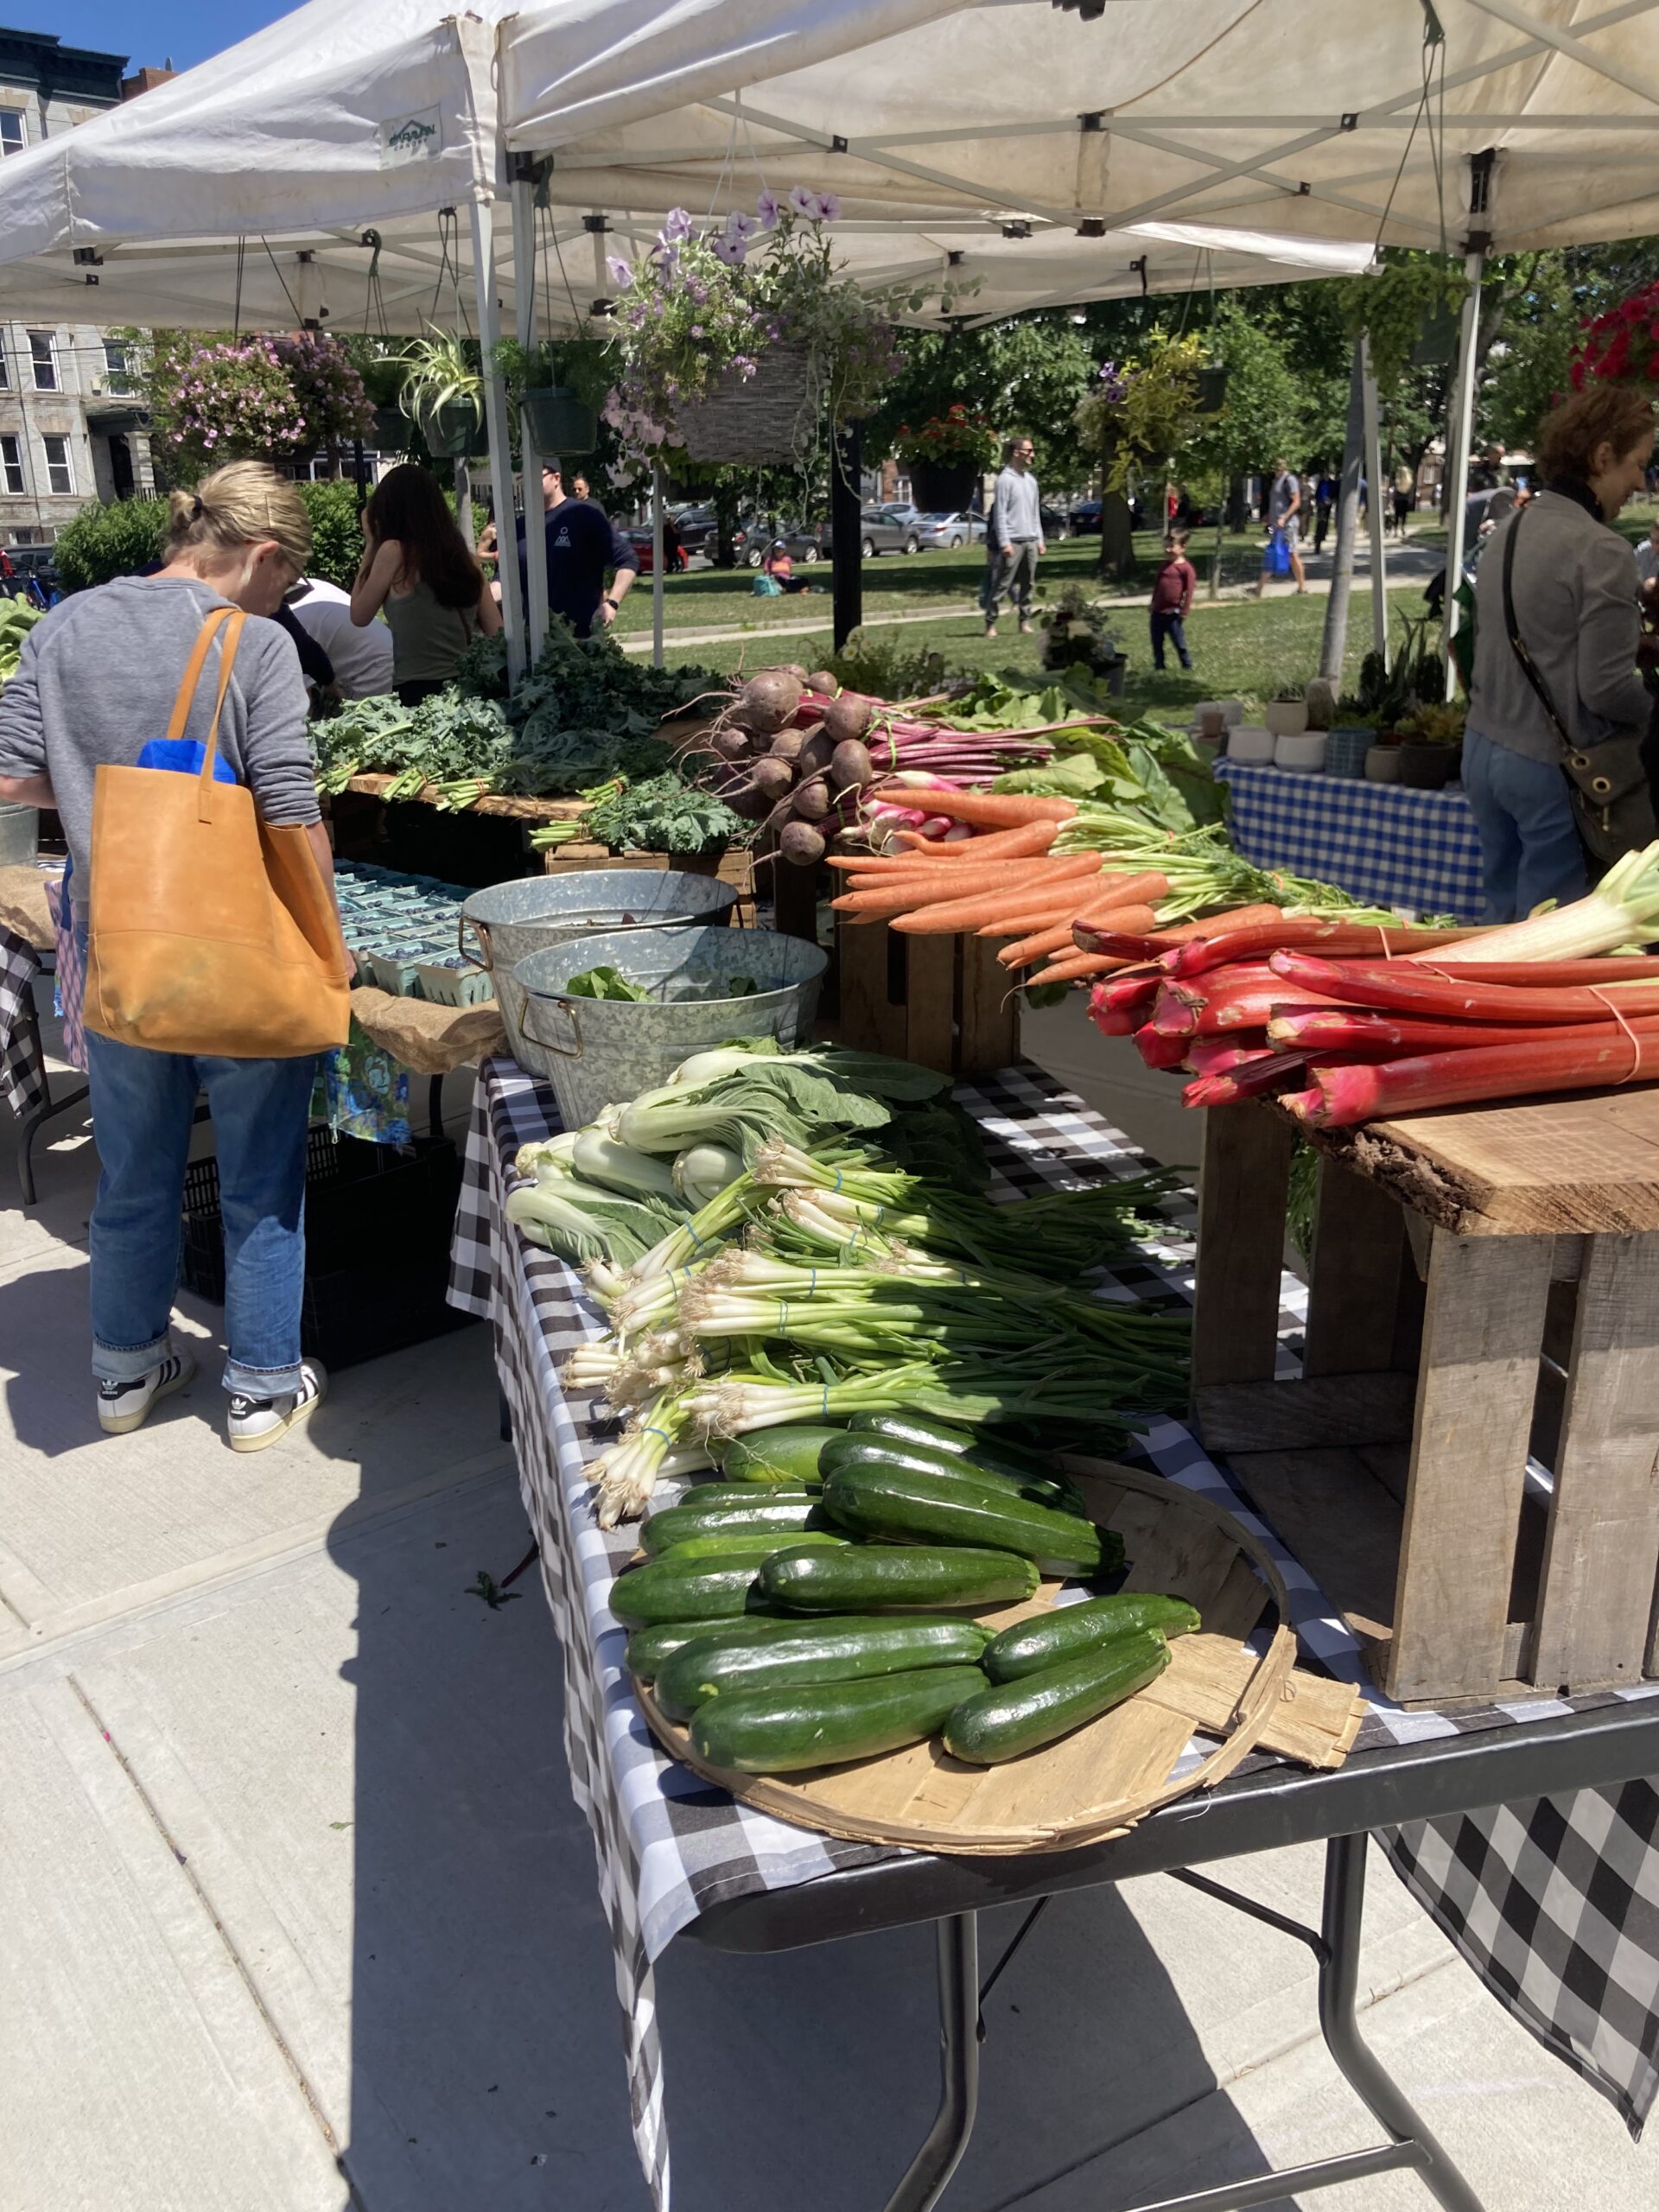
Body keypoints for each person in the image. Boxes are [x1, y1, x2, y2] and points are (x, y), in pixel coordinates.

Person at [0, 461, 349, 1451]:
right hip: (236, 949)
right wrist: (330, 943)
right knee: (260, 1177)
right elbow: (288, 807)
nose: (283, 597)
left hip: (116, 949)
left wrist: (109, 805)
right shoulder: (253, 642)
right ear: (264, 554)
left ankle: (125, 1372)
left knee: (135, 1173)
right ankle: (262, 1386)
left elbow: (10, 771)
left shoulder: (66, 621)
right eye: (285, 579)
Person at [1465, 385, 1655, 923]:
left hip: (1482, 749)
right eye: (1638, 464)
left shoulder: (1511, 527)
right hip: (1551, 765)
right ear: (1601, 457)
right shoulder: (1603, 550)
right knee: (1551, 945)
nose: (1641, 481)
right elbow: (1607, 689)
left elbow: (1532, 633)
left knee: (1502, 921)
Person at [350, 463, 499, 706]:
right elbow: (497, 632)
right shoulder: (465, 560)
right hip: (467, 693)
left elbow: (359, 615)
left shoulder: (394, 552)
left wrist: (371, 544)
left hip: (416, 691)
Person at [515, 463, 639, 638]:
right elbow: (506, 579)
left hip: (580, 638)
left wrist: (612, 603)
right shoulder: (521, 527)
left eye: (536, 478)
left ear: (556, 478)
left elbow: (627, 560)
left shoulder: (584, 515)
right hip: (535, 639)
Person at [285, 574, 393, 700]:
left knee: (355, 716)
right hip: (384, 650)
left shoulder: (292, 621)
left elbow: (299, 695)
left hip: (374, 667)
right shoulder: (302, 586)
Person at [985, 434, 1045, 639]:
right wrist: (1005, 543)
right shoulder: (1004, 480)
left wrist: (1040, 539)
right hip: (1012, 541)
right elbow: (999, 514)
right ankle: (991, 623)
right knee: (1002, 584)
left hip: (1030, 539)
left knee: (1029, 584)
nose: (1032, 455)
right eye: (1029, 451)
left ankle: (1024, 622)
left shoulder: (1031, 481)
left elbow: (1034, 512)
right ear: (1016, 453)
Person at [1255, 460, 1306, 594]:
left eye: (1280, 463)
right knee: (1273, 551)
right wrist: (1268, 516)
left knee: (1292, 553)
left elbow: (1296, 502)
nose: (1277, 466)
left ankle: (1302, 587)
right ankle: (1258, 589)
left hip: (1288, 524)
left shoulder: (1289, 480)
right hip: (1275, 525)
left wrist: (1284, 517)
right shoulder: (1275, 481)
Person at [1149, 532, 1196, 671]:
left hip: (1173, 612)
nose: (1168, 550)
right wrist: (1153, 602)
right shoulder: (1164, 565)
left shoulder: (1186, 569)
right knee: (1157, 642)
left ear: (1183, 548)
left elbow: (1189, 591)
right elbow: (1158, 585)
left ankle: (1187, 665)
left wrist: (1185, 610)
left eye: (1171, 546)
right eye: (1166, 547)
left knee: (1179, 642)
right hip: (1158, 611)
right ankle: (1159, 666)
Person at [1635, 516, 1659, 620]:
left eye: (1658, 542)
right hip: (1640, 597)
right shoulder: (1643, 549)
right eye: (1652, 539)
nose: (1653, 545)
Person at [1313, 467, 1336, 552]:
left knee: (1325, 519)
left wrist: (1331, 499)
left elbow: (1334, 493)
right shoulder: (1321, 483)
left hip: (1328, 504)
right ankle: (1319, 535)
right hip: (1321, 503)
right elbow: (1318, 492)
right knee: (1320, 519)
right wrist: (1317, 500)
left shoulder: (1331, 483)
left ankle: (1323, 533)